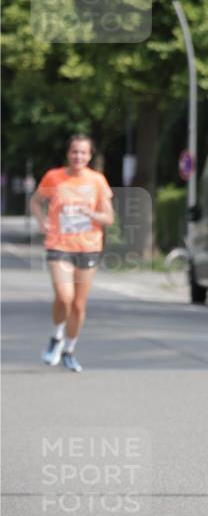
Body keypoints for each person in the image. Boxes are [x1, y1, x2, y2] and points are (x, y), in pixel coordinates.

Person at [30, 134, 114, 373]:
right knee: (64, 297)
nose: (79, 156)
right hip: (59, 244)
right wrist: (41, 221)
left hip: (88, 246)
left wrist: (91, 214)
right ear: (68, 154)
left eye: (83, 153)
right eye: (75, 152)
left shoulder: (97, 181)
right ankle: (57, 336)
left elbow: (109, 217)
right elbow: (36, 201)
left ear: (90, 156)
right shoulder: (53, 177)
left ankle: (69, 350)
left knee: (78, 305)